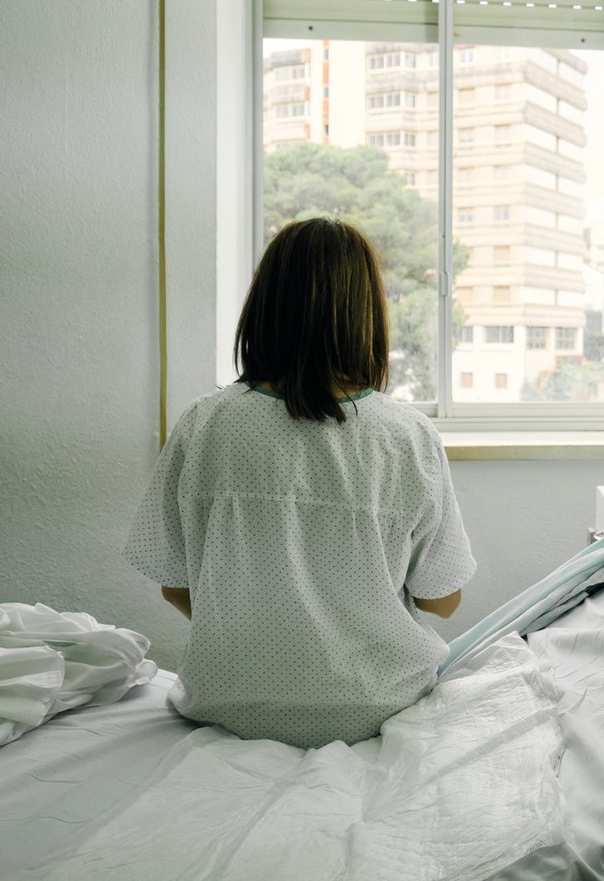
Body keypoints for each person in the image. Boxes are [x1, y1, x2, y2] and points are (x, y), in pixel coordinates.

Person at [124, 217, 475, 748]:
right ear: (366, 316)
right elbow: (440, 601)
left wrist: (260, 623)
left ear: (263, 307)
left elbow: (174, 582)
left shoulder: (204, 424)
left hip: (227, 705)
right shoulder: (407, 437)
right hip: (376, 708)